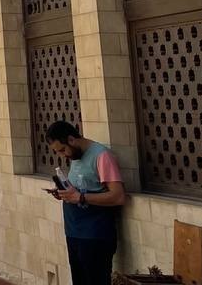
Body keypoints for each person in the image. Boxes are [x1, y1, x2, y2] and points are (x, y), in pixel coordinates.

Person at [46, 120, 126, 285]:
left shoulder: (101, 156)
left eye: (62, 150)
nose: (63, 155)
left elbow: (118, 196)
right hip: (74, 233)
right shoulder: (75, 156)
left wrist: (80, 198)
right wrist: (64, 193)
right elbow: (80, 189)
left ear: (71, 139)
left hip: (95, 236)